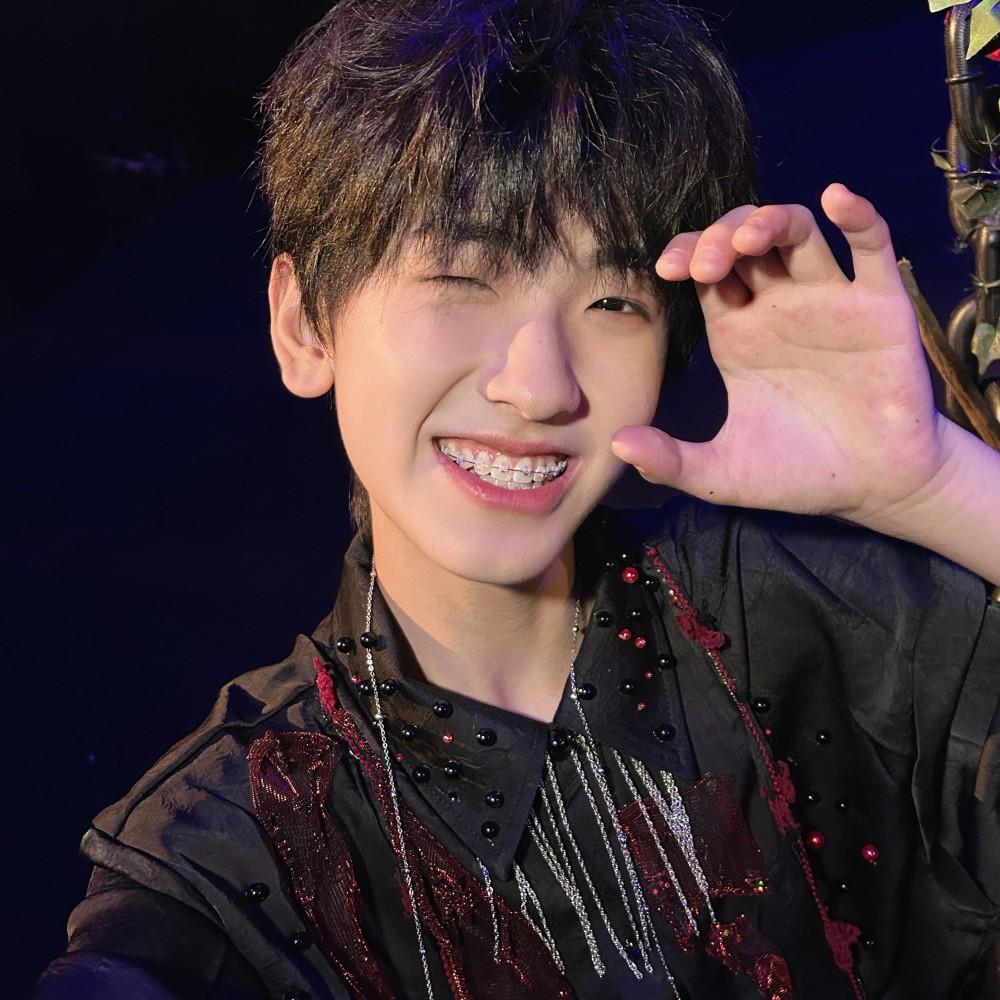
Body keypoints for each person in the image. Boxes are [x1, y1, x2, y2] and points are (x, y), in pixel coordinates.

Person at [35, 1, 1000, 998]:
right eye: (461, 278)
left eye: (611, 302)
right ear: (304, 324)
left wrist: (934, 481)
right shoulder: (233, 844)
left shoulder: (813, 618)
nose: (540, 386)